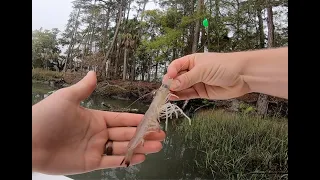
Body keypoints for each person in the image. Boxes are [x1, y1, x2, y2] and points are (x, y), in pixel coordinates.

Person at [32, 47, 288, 176]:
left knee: (146, 134)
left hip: (151, 119)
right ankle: (131, 148)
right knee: (143, 135)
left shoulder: (168, 93)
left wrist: (242, 74)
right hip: (145, 126)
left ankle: (132, 148)